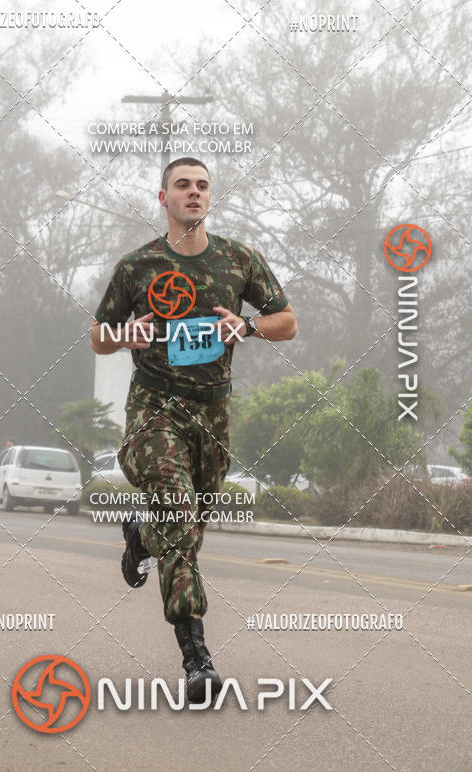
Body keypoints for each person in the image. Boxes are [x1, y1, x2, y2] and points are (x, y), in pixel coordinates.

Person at [90, 157, 297, 703]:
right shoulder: (138, 266)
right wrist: (124, 331)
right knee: (178, 511)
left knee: (188, 526)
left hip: (213, 415)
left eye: (203, 186)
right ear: (164, 198)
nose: (194, 193)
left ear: (210, 198)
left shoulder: (238, 259)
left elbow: (288, 322)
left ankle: (141, 533)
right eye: (183, 185)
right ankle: (196, 655)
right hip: (155, 409)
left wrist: (248, 325)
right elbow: (97, 335)